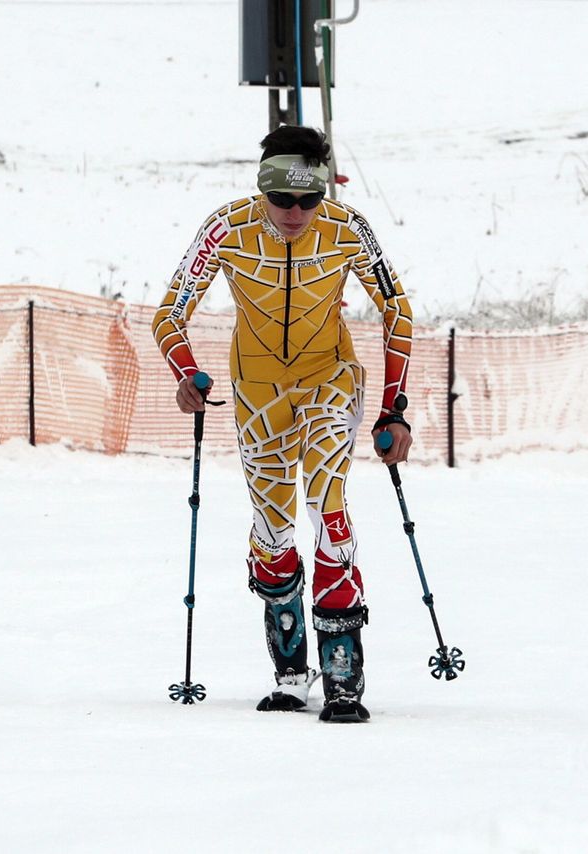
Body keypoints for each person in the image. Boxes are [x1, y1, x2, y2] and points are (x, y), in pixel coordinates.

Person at [152, 126, 413, 723]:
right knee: (272, 532)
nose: (295, 213)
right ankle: (292, 670)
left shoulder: (348, 229)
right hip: (257, 393)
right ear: (262, 188)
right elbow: (169, 313)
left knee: (329, 506)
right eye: (282, 199)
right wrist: (187, 374)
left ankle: (343, 668)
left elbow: (397, 309)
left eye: (309, 200)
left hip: (329, 379)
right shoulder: (227, 227)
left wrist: (393, 407)